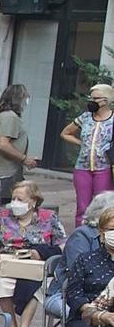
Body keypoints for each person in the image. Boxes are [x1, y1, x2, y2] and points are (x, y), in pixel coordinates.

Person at [0, 181, 66, 327]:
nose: (15, 203)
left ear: (33, 202)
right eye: (13, 198)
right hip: (8, 263)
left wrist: (41, 253)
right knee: (1, 283)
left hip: (35, 265)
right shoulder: (4, 215)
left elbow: (63, 245)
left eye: (20, 199)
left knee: (36, 286)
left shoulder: (48, 217)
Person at [61, 201, 114, 327]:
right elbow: (74, 295)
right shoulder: (86, 260)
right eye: (112, 229)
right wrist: (99, 315)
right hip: (85, 318)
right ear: (102, 233)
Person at [59, 81, 114, 224]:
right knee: (82, 207)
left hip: (104, 168)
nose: (92, 101)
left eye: (96, 99)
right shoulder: (85, 117)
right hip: (82, 168)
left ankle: (100, 237)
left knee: (103, 206)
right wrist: (82, 144)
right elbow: (65, 133)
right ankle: (80, 236)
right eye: (91, 98)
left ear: (106, 101)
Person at [0, 82, 38, 204]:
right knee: (4, 208)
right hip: (5, 173)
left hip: (0, 172)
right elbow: (3, 144)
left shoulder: (0, 115)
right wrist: (24, 159)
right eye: (25, 97)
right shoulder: (10, 117)